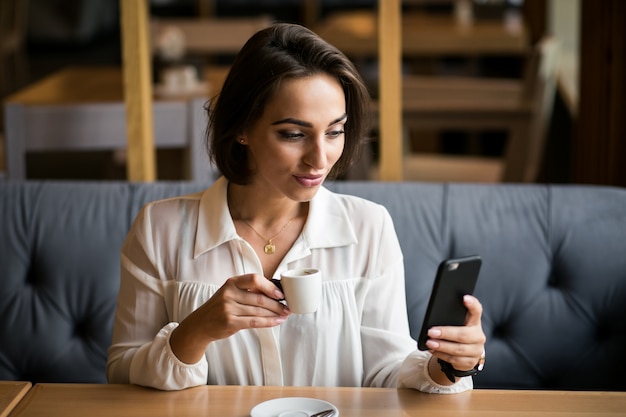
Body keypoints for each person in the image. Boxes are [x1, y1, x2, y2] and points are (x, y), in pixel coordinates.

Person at [106, 22, 486, 392]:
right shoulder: (160, 228)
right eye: (293, 134)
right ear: (241, 129)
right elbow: (122, 373)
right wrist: (195, 331)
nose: (320, 159)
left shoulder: (369, 226)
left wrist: (445, 366)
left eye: (335, 131)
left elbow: (386, 370)